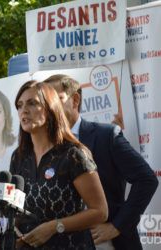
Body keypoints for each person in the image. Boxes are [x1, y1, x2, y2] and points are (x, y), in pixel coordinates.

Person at [43, 74, 158, 250]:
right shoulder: (41, 147)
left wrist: (116, 226)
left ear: (74, 100)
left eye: (55, 99)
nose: (49, 107)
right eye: (44, 102)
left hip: (108, 243)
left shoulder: (106, 136)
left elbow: (147, 179)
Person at [10, 80, 108, 249]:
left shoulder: (74, 154)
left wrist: (53, 227)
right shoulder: (18, 157)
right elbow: (16, 209)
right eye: (19, 105)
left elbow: (100, 212)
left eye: (32, 103)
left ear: (50, 108)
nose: (23, 110)